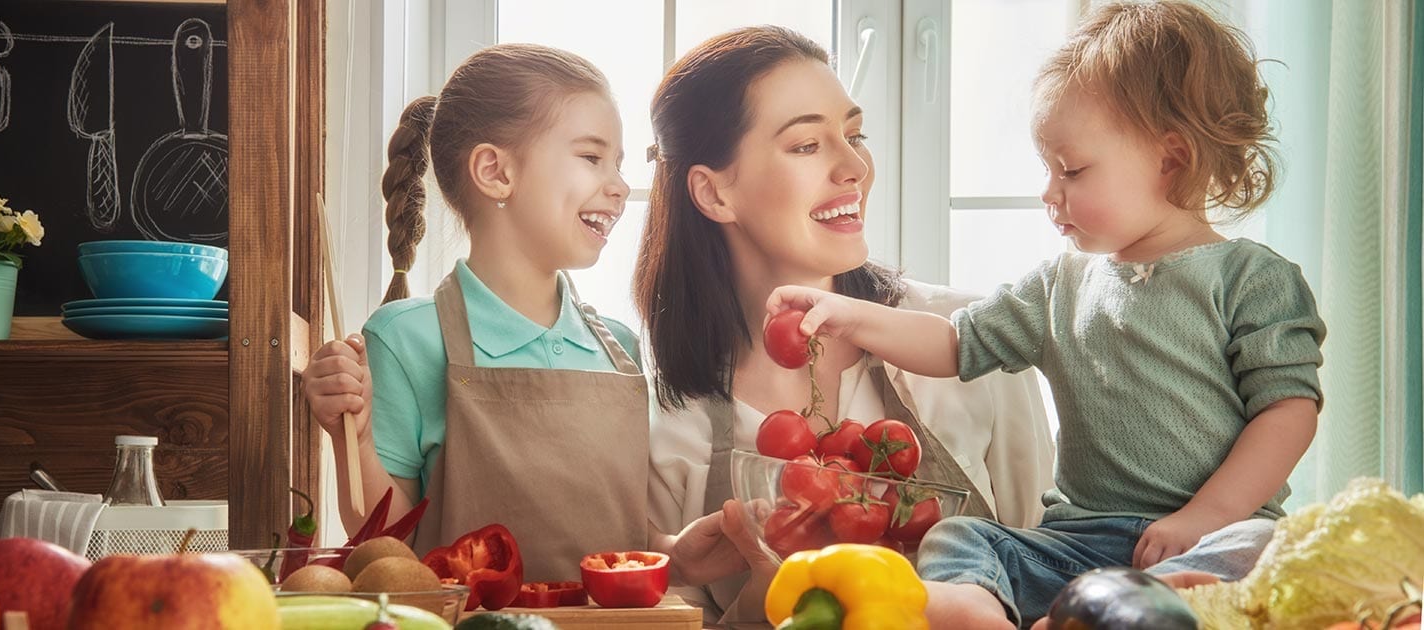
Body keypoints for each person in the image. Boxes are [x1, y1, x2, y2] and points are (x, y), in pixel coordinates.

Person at [767, 2, 1326, 627]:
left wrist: (1205, 517)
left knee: (1268, 547)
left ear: (1171, 159)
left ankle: (1129, 607)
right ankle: (991, 610)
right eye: (1047, 169)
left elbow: (1288, 412)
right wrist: (850, 315)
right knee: (961, 539)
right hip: (1081, 547)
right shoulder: (1059, 285)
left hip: (1214, 535)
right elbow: (955, 345)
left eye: (1073, 170)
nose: (1049, 192)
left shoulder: (1252, 279)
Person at [635, 25, 1057, 624]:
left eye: (855, 135)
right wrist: (765, 603)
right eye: (807, 145)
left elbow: (1052, 563)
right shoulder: (667, 423)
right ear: (714, 192)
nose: (855, 165)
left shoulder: (970, 340)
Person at [301, 44, 648, 582]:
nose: (620, 185)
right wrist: (355, 436)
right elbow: (390, 542)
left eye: (620, 164)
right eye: (591, 157)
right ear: (495, 171)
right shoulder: (404, 338)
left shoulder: (620, 347)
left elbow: (639, 538)